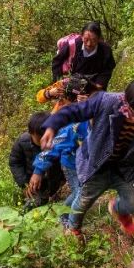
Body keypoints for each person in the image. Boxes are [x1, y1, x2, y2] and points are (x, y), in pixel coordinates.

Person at [41, 79, 134, 239]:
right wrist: (52, 126)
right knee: (83, 201)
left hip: (125, 168)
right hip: (96, 165)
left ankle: (117, 208)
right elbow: (74, 111)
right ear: (126, 102)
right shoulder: (106, 102)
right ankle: (73, 230)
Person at [29, 76, 92, 210]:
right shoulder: (71, 123)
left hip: (84, 161)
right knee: (80, 192)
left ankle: (64, 212)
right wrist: (38, 170)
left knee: (81, 191)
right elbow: (55, 145)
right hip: (71, 163)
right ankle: (65, 215)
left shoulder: (90, 112)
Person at [9, 112, 64, 209]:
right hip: (35, 184)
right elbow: (15, 162)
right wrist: (24, 184)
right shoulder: (22, 142)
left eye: (47, 137)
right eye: (39, 139)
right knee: (32, 205)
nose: (44, 142)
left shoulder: (58, 139)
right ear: (31, 133)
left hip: (56, 180)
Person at [51, 22, 116, 91]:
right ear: (81, 36)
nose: (89, 44)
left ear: (99, 39)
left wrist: (99, 84)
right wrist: (58, 83)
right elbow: (57, 62)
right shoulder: (72, 45)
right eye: (86, 39)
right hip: (72, 82)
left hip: (94, 85)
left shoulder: (105, 50)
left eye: (93, 40)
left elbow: (108, 69)